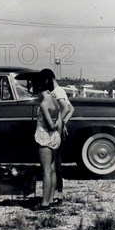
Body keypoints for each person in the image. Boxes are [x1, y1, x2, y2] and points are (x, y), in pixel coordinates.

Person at [40, 68, 75, 205]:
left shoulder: (55, 92)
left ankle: (56, 194)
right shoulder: (60, 90)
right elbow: (71, 109)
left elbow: (66, 108)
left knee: (54, 165)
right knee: (55, 164)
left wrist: (60, 122)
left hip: (55, 130)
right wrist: (64, 121)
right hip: (58, 128)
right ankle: (56, 194)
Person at [33, 74, 61, 210]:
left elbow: (50, 124)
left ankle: (44, 203)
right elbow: (59, 119)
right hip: (55, 137)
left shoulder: (44, 103)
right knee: (52, 169)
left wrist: (52, 125)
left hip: (45, 135)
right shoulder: (54, 99)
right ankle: (50, 199)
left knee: (46, 172)